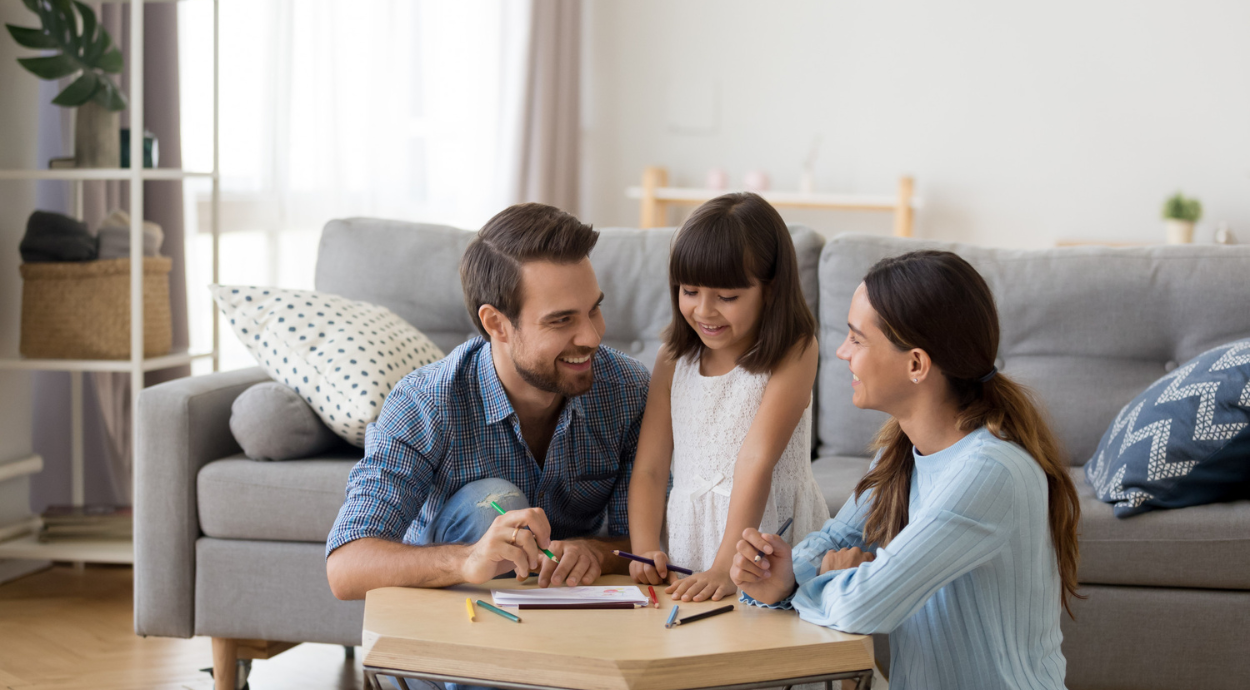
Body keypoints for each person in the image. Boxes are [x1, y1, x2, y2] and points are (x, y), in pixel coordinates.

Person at [730, 250, 1081, 690]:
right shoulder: (901, 452)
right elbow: (834, 541)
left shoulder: (990, 472)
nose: (841, 352)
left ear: (916, 364)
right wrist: (781, 575)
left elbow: (864, 604)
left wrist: (817, 579)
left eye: (857, 339)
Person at [325, 203, 649, 600]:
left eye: (594, 309)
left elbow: (648, 537)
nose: (592, 337)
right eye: (561, 320)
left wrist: (594, 552)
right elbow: (346, 566)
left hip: (565, 607)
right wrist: (467, 559)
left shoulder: (627, 389)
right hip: (457, 607)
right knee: (492, 502)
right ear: (496, 324)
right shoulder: (425, 403)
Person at [626, 192, 830, 602]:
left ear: (770, 290)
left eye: (727, 297)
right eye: (689, 290)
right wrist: (645, 547)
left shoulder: (795, 350)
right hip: (689, 539)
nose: (704, 310)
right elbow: (649, 467)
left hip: (762, 540)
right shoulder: (674, 358)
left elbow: (756, 460)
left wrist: (724, 567)